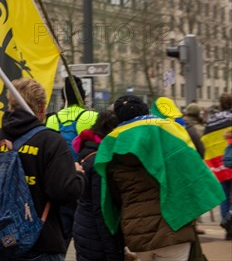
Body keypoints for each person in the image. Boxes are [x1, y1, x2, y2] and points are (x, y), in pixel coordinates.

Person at [95, 95, 224, 261]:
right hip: (173, 228)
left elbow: (112, 198)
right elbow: (192, 175)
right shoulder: (167, 134)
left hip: (137, 233)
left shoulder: (112, 146)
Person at [0, 78, 85, 261]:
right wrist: (78, 175)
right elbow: (63, 192)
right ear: (42, 108)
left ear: (11, 105)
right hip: (42, 243)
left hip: (1, 243)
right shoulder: (51, 142)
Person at [45, 76, 97, 244]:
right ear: (83, 95)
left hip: (61, 179)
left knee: (64, 231)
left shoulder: (52, 119)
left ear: (63, 96)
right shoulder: (91, 116)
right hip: (86, 180)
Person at [72, 110, 124, 261]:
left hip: (83, 227)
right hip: (94, 235)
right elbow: (100, 210)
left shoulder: (87, 150)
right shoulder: (99, 162)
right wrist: (113, 252)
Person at [202, 92, 232, 240]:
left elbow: (206, 141)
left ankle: (228, 228)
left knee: (224, 197)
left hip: (218, 164)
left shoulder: (211, 120)